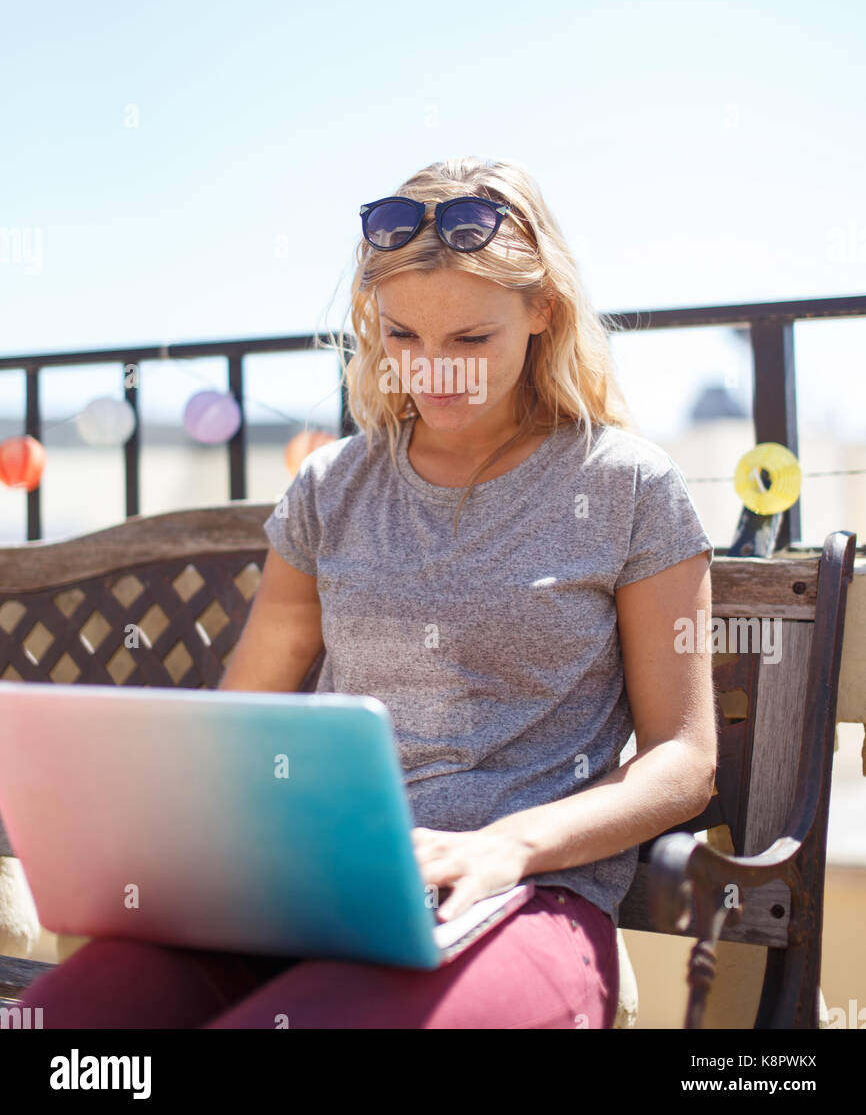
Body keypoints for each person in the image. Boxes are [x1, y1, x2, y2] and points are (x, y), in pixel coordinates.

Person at [21, 155, 716, 1029]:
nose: (435, 371)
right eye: (402, 337)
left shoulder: (629, 488)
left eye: (471, 340)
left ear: (544, 311)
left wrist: (510, 843)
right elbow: (244, 724)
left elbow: (685, 761)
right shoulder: (329, 489)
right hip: (308, 890)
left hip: (527, 899)